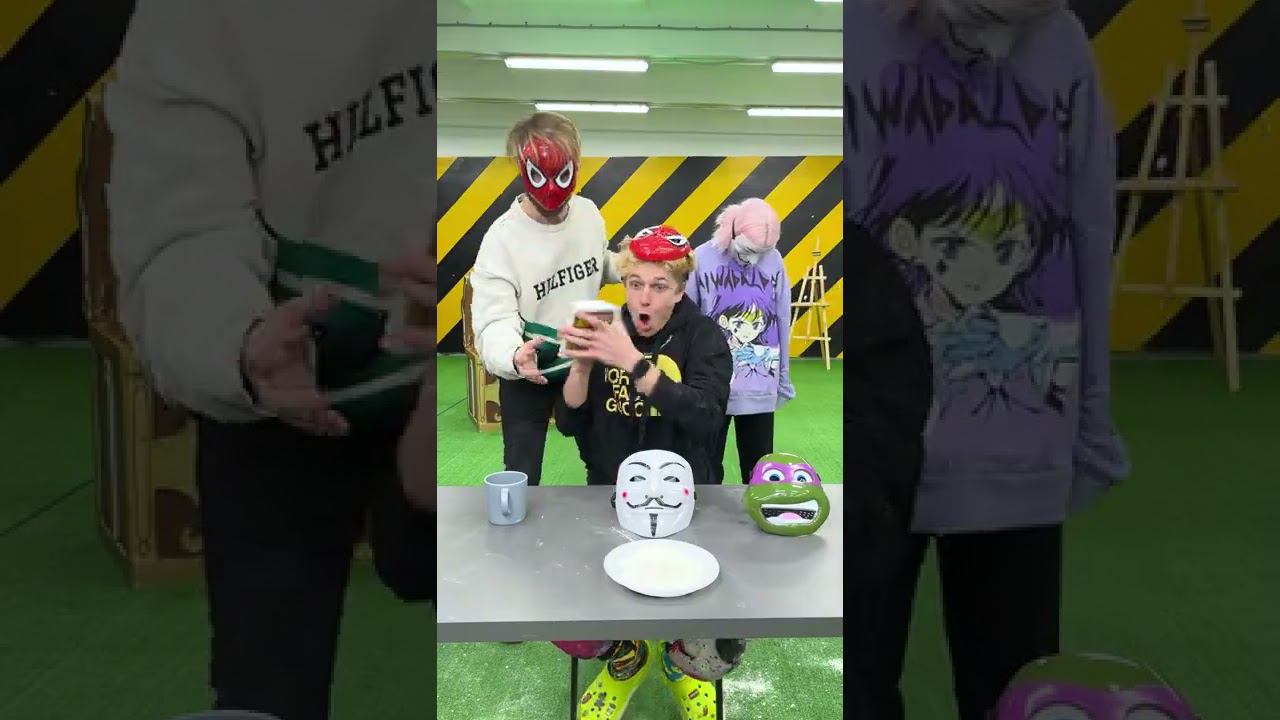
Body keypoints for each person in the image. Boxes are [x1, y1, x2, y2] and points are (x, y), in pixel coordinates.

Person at [105, 2, 434, 718]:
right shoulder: (193, 19)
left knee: (499, 595)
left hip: (451, 366)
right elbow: (179, 229)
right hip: (285, 376)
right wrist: (238, 344)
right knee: (268, 680)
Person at [846, 1, 1131, 718]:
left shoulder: (1058, 40)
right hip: (877, 448)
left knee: (1014, 696)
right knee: (860, 687)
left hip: (1014, 443)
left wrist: (1092, 417)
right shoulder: (852, 29)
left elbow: (1089, 229)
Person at [552, 224, 739, 719]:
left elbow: (707, 414)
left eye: (659, 286)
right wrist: (580, 368)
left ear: (679, 290)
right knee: (576, 606)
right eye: (635, 284)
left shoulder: (704, 335)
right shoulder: (607, 327)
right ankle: (626, 656)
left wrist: (633, 362)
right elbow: (568, 422)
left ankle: (680, 660)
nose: (644, 298)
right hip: (610, 493)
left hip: (689, 497)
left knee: (709, 615)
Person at [469, 111, 616, 486]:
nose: (551, 187)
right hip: (529, 365)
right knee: (522, 471)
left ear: (576, 164)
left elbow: (598, 265)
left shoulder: (588, 214)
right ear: (523, 167)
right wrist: (513, 356)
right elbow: (493, 318)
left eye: (562, 171)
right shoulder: (502, 239)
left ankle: (609, 517)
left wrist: (631, 264)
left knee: (605, 458)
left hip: (583, 359)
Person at [686, 197, 795, 484]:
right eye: (747, 250)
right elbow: (688, 321)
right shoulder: (702, 258)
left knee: (760, 472)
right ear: (731, 232)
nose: (753, 259)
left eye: (762, 252)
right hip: (711, 384)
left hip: (759, 381)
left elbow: (782, 318)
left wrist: (783, 377)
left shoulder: (774, 261)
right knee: (705, 470)